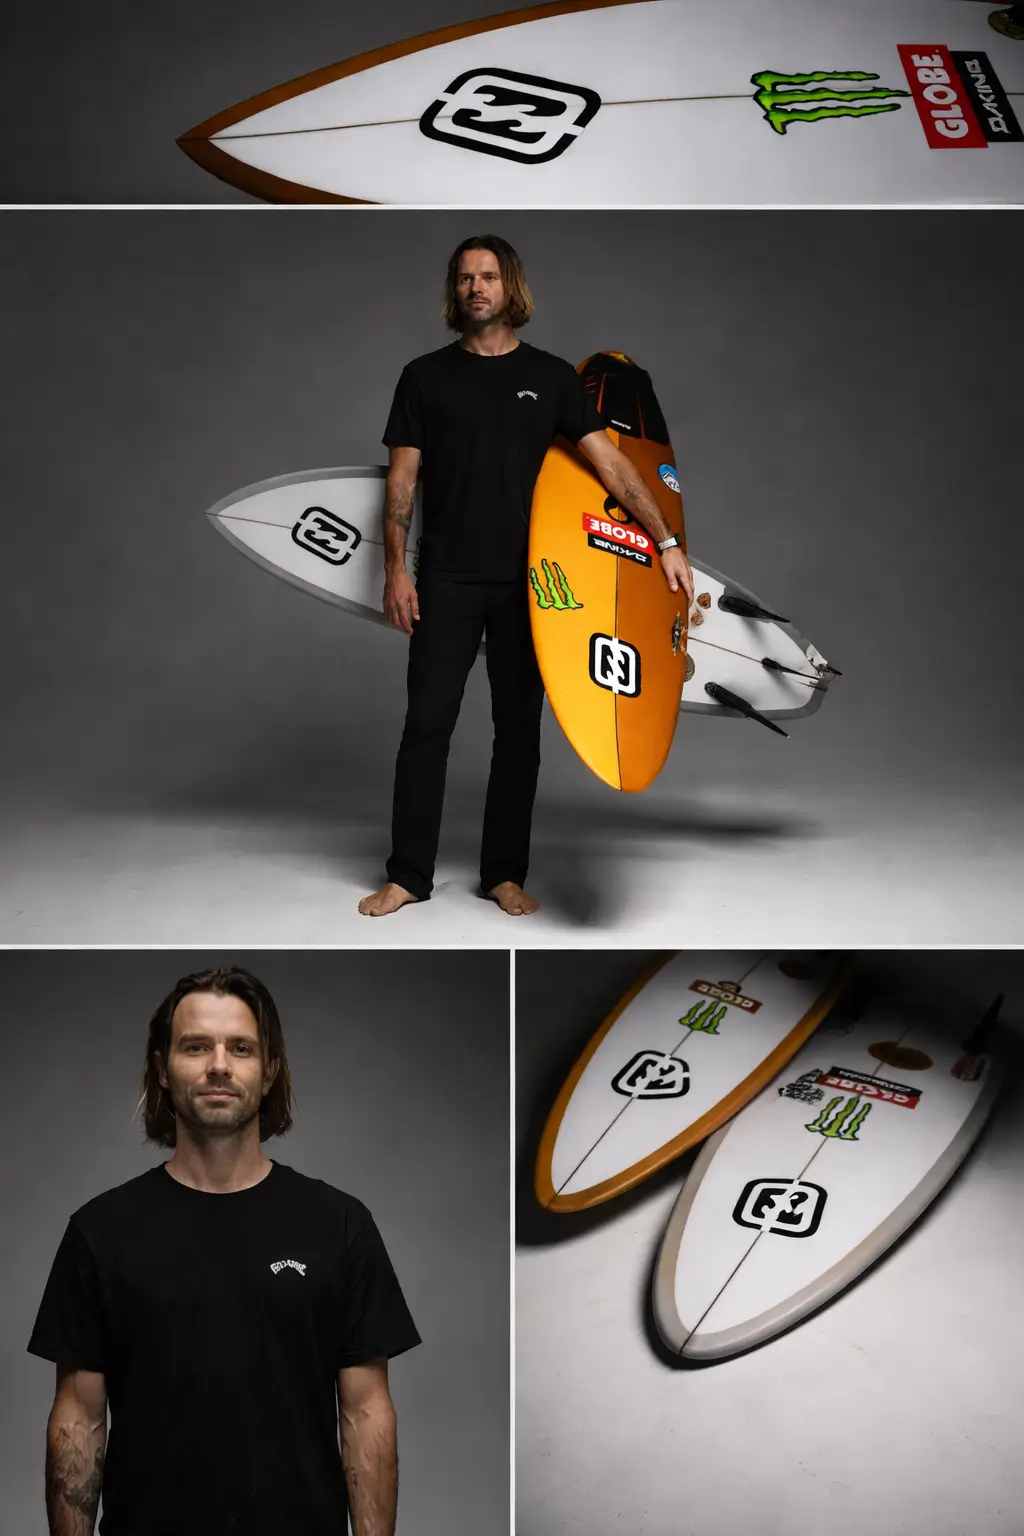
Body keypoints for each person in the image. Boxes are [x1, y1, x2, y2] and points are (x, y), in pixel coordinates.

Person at [359, 234, 694, 920]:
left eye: (487, 276)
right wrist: (396, 571)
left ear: (511, 288)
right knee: (426, 728)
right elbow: (401, 484)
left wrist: (665, 540)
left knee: (518, 734)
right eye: (464, 279)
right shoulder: (423, 376)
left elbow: (613, 468)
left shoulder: (554, 378)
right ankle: (409, 875)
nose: (475, 288)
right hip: (446, 578)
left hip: (532, 588)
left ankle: (503, 874)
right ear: (453, 293)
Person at [28, 966, 420, 1536]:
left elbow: (364, 1413)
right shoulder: (100, 1231)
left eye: (241, 1048)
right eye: (196, 1047)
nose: (219, 1065)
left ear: (269, 1072)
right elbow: (79, 1419)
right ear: (163, 1070)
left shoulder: (339, 1225)